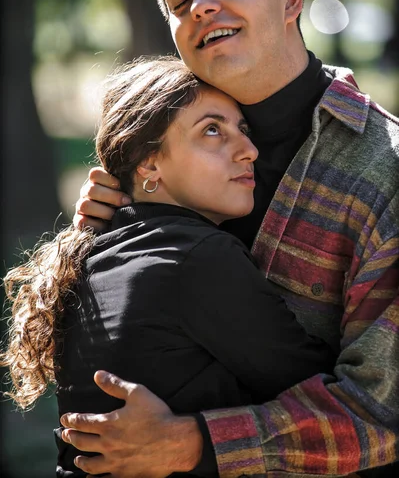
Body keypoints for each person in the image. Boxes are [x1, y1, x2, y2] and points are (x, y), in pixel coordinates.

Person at [60, 0, 399, 478]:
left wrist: (195, 444)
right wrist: (113, 228)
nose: (200, 7)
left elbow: (383, 411)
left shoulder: (386, 170)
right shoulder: (155, 160)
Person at [1, 56, 337, 477]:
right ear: (149, 163)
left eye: (244, 130)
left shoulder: (92, 256)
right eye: (212, 130)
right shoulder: (196, 257)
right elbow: (327, 401)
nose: (249, 150)